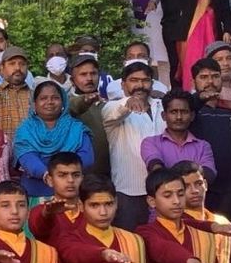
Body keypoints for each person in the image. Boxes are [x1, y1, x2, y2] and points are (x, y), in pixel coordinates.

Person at [101, 62, 165, 229]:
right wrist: (128, 102)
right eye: (133, 80)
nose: (140, 85)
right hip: (129, 193)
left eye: (145, 80)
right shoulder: (114, 109)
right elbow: (112, 111)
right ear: (123, 85)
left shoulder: (162, 106)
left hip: (164, 191)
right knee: (131, 246)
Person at [13, 81, 92, 198]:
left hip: (72, 192)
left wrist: (61, 173)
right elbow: (27, 158)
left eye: (55, 98)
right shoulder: (25, 129)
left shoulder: (76, 128)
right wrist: (46, 174)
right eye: (43, 98)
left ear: (63, 102)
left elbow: (87, 158)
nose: (49, 102)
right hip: (36, 193)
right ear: (34, 104)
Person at [189, 57, 231, 219]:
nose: (210, 82)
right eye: (203, 77)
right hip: (197, 189)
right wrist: (199, 99)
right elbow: (183, 104)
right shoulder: (188, 111)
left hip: (230, 190)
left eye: (215, 76)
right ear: (193, 81)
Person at [178, 0, 231, 91]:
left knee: (212, 62)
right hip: (190, 33)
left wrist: (227, 29)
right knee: (192, 61)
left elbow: (225, 9)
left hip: (212, 31)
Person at [140, 89, 216, 177]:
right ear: (164, 116)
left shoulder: (203, 146)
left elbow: (209, 174)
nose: (179, 117)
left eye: (184, 112)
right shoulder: (150, 143)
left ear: (192, 116)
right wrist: (193, 172)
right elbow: (156, 170)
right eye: (173, 112)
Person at [69, 53, 111, 178]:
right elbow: (73, 106)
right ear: (72, 80)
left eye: (93, 74)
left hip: (108, 175)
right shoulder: (66, 104)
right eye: (83, 74)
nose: (89, 78)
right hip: (80, 176)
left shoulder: (107, 104)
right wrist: (85, 100)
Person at [0, 46, 33, 139]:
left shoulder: (35, 96)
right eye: (12, 64)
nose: (17, 68)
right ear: (1, 69)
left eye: (22, 64)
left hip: (31, 150)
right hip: (2, 151)